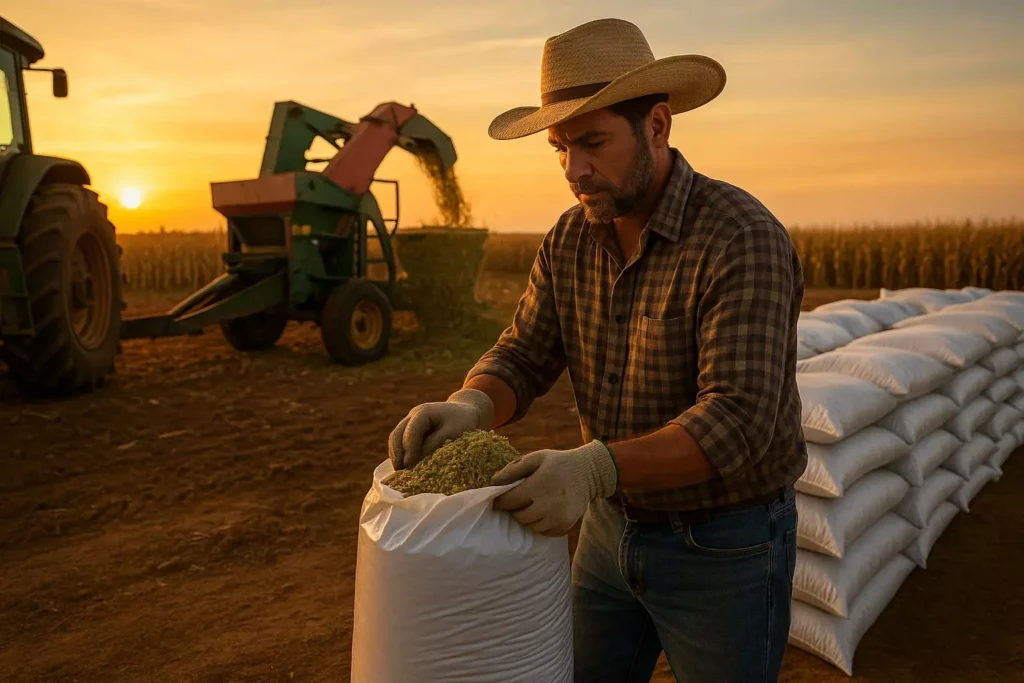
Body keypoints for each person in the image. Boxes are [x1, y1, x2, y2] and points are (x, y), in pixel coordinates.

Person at [387, 17, 807, 683]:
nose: (573, 168)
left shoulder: (739, 238)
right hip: (609, 533)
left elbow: (738, 420)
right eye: (559, 148)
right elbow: (523, 352)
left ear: (658, 126)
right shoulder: (571, 238)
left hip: (724, 545)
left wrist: (590, 470)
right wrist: (470, 404)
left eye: (592, 142)